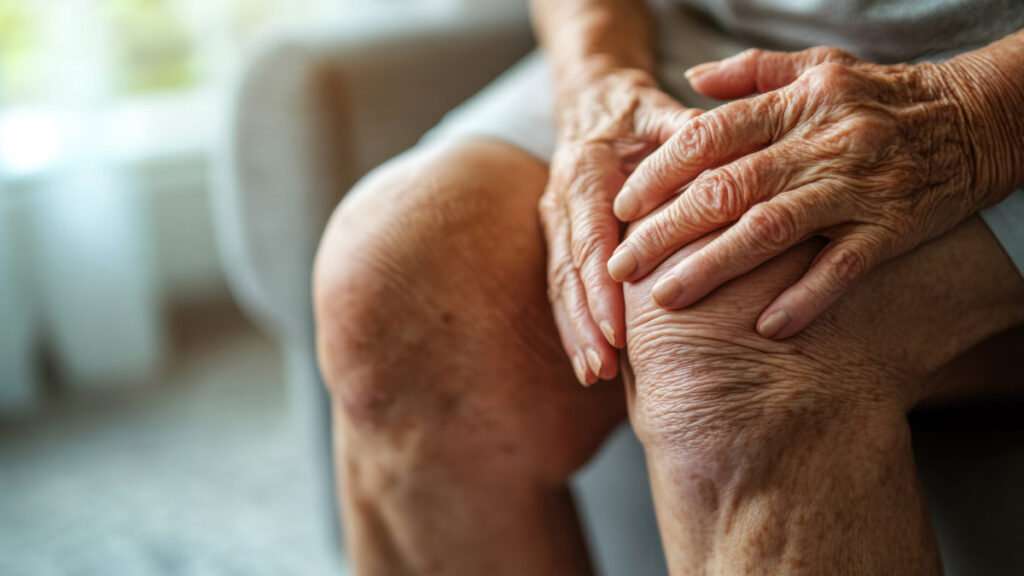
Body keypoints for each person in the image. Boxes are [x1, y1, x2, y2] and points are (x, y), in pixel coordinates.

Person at [312, 0, 1024, 573]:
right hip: (705, 35)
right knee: (390, 274)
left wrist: (972, 118)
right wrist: (597, 79)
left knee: (729, 343)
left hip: (997, 76)